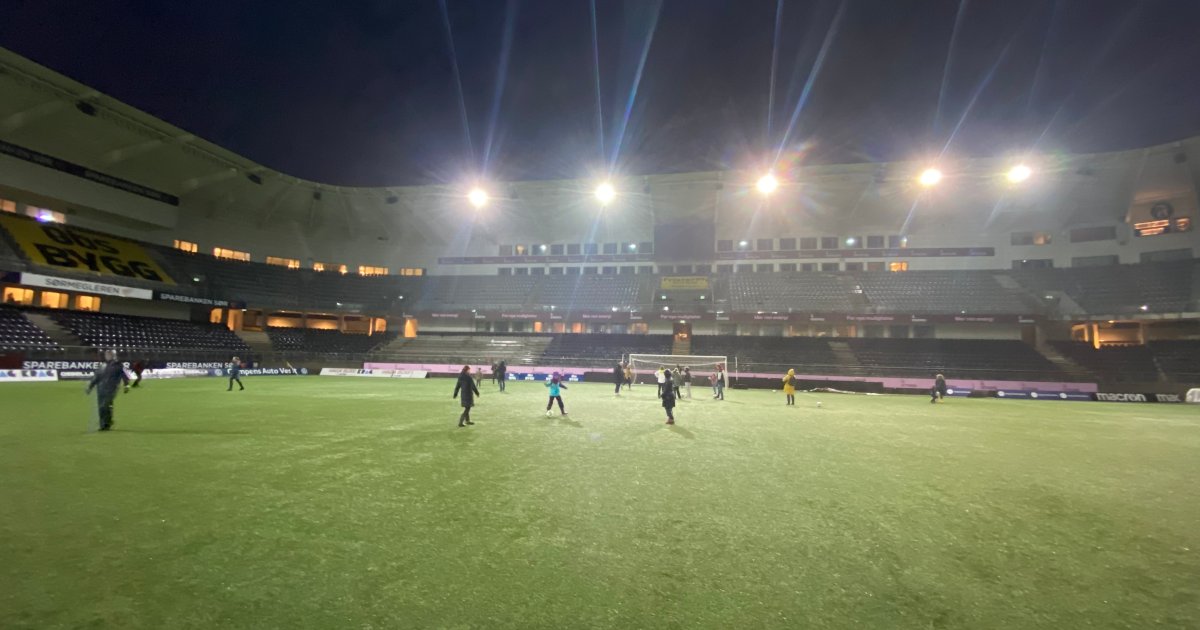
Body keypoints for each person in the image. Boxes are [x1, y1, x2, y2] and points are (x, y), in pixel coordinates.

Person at [86, 350, 129, 431]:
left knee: (105, 405)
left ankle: (107, 423)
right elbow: (96, 377)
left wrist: (126, 385)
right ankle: (103, 425)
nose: (107, 356)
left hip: (111, 389)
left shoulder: (118, 365)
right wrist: (90, 387)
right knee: (101, 407)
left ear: (113, 355)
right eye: (106, 355)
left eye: (109, 355)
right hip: (101, 389)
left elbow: (125, 375)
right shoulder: (103, 365)